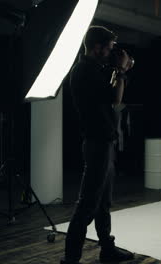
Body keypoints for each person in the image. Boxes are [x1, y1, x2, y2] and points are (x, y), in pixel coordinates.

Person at [61, 26, 134, 264]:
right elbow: (115, 98)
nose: (112, 51)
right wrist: (121, 70)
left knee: (103, 204)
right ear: (97, 48)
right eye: (110, 47)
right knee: (87, 205)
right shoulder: (84, 71)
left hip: (104, 142)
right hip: (97, 143)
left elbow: (112, 94)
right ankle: (70, 260)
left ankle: (107, 250)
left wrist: (118, 71)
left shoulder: (95, 69)